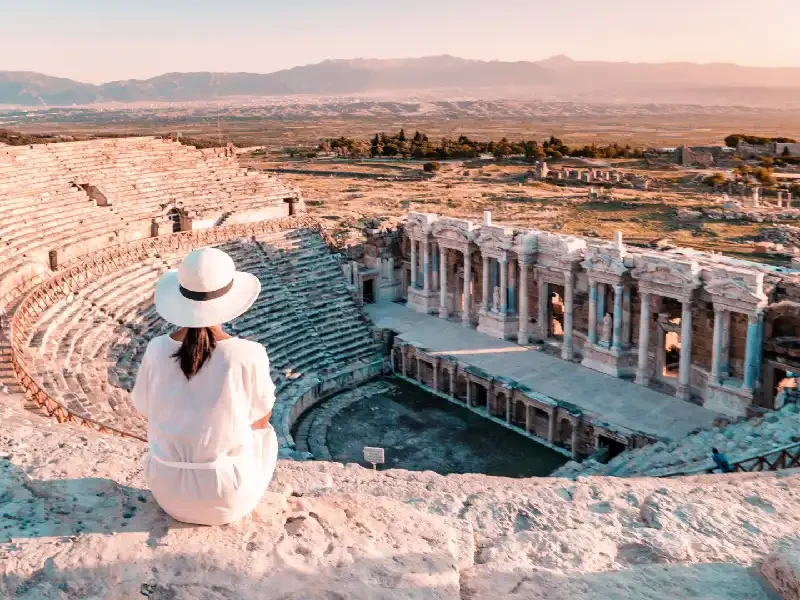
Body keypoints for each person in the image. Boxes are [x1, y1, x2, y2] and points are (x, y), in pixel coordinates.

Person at [132, 247, 277, 526]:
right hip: (227, 494)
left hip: (167, 490)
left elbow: (144, 408)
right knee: (263, 435)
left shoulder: (156, 348)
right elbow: (260, 419)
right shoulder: (247, 353)